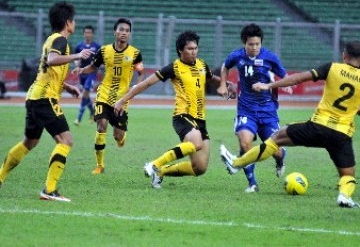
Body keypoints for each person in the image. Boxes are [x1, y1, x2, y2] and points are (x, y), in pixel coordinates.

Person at [220, 40, 360, 208]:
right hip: (342, 134)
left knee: (277, 138)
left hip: (317, 126)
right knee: (348, 174)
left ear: (345, 56)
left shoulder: (333, 68)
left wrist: (270, 85)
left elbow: (299, 78)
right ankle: (345, 196)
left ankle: (236, 163)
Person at [114, 30, 236, 189]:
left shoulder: (202, 65)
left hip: (200, 119)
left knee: (199, 168)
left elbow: (212, 79)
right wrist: (123, 100)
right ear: (180, 50)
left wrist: (225, 84)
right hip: (182, 115)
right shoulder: (173, 68)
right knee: (196, 143)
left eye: (196, 48)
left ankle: (160, 172)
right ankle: (154, 164)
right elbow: (146, 84)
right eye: (190, 49)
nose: (194, 52)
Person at [0, 1, 94, 202]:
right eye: (73, 20)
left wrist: (67, 87)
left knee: (30, 142)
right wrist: (78, 55)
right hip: (44, 100)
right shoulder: (60, 40)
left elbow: (46, 69)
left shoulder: (51, 39)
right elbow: (51, 61)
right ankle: (49, 190)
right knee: (66, 140)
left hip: (35, 97)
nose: (74, 24)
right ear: (68, 22)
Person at [217, 23, 290, 193]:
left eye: (258, 44)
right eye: (251, 44)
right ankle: (252, 184)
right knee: (245, 143)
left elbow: (285, 76)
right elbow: (225, 66)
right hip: (246, 109)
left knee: (275, 150)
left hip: (268, 111)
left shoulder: (270, 57)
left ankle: (280, 159)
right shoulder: (236, 56)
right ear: (244, 43)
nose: (255, 47)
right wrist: (222, 84)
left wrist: (276, 85)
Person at [72, 18, 144, 175]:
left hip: (122, 98)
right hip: (104, 94)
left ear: (129, 34)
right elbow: (93, 67)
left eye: (127, 30)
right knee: (101, 126)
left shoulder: (135, 53)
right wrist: (82, 70)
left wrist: (137, 86)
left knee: (118, 136)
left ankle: (121, 138)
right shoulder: (104, 51)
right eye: (121, 30)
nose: (124, 33)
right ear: (115, 32)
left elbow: (140, 71)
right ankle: (100, 165)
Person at [73, 25, 101, 126]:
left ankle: (78, 118)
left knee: (85, 92)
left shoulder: (97, 47)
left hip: (91, 73)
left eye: (89, 32)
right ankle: (93, 111)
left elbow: (99, 59)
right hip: (82, 73)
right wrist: (77, 64)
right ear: (83, 34)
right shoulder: (79, 46)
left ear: (92, 34)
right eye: (86, 32)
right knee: (86, 95)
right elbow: (76, 58)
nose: (87, 34)